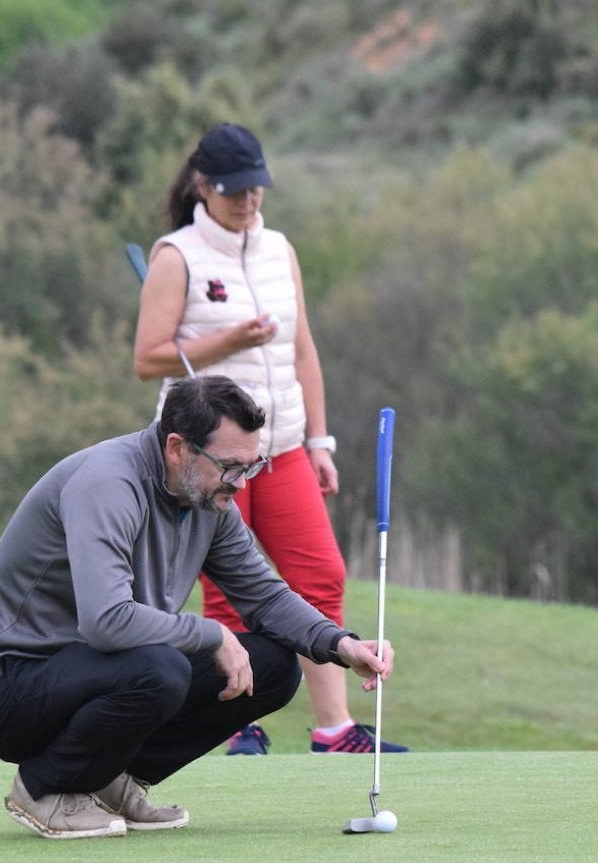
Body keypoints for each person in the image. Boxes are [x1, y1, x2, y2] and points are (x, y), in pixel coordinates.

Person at [0, 376, 395, 839]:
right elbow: (105, 621)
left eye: (251, 466)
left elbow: (264, 595)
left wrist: (339, 644)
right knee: (160, 669)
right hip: (10, 691)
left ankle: (106, 780)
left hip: (98, 673)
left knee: (273, 667)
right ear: (178, 448)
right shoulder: (107, 484)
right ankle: (46, 788)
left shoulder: (210, 500)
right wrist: (212, 634)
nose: (241, 484)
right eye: (230, 467)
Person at [133, 122, 406, 755]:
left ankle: (334, 730)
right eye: (236, 193)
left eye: (257, 191)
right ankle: (235, 727)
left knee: (320, 574)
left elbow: (302, 348)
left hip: (280, 447)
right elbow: (149, 359)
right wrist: (231, 341)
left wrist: (319, 440)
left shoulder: (278, 248)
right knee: (228, 593)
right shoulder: (176, 255)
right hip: (210, 456)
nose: (249, 204)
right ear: (205, 186)